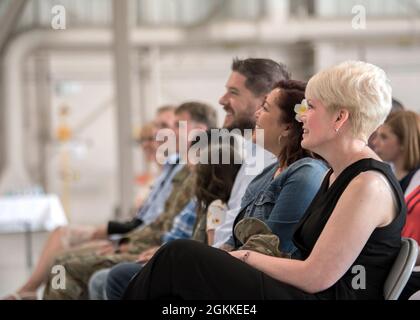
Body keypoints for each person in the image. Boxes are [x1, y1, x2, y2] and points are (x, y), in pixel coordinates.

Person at [123, 61, 406, 300]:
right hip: (304, 293)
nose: (302, 118)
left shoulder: (368, 184)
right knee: (177, 273)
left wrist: (242, 257)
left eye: (311, 108)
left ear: (340, 117)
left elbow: (316, 276)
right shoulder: (338, 174)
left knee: (179, 257)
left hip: (316, 296)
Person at [39, 101, 217, 299]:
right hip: (144, 243)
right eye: (146, 139)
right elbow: (157, 223)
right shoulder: (175, 171)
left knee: (66, 265)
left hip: (152, 247)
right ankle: (29, 291)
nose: (157, 138)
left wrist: (125, 243)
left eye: (172, 127)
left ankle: (28, 291)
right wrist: (123, 242)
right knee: (63, 258)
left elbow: (164, 229)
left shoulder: (194, 173)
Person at [2, 105, 178, 300]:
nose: (151, 140)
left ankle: (31, 290)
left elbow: (154, 227)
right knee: (61, 244)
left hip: (139, 242)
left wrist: (117, 240)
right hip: (133, 238)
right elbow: (145, 222)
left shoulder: (178, 174)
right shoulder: (163, 174)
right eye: (148, 136)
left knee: (62, 259)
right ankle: (33, 290)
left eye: (162, 128)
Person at [222, 80, 327, 255]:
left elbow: (273, 249)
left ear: (287, 127)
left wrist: (211, 262)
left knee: (177, 252)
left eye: (265, 108)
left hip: (263, 275)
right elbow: (232, 242)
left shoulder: (307, 174)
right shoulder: (266, 174)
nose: (256, 113)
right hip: (242, 267)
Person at [212, 57, 290, 248]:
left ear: (266, 100)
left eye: (233, 92)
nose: (222, 100)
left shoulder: (274, 158)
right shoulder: (253, 150)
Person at [375, 110, 420, 197]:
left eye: (384, 137)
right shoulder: (385, 170)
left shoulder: (417, 179)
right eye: (377, 135)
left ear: (404, 142)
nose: (375, 142)